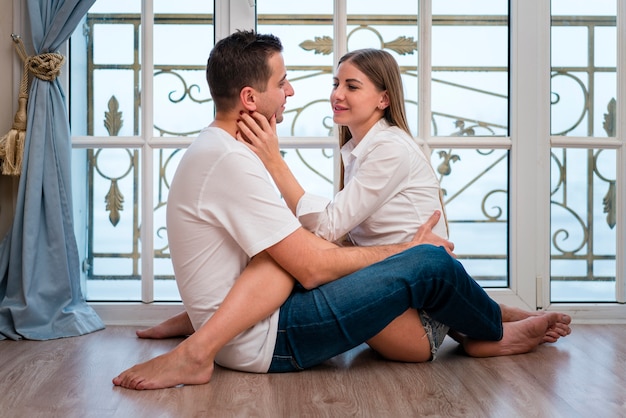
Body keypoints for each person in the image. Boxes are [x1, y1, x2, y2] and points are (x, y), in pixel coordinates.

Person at [112, 31, 568, 390]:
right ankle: (490, 331)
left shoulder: (218, 150)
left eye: (351, 85)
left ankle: (490, 324)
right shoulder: (233, 159)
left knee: (322, 249)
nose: (293, 91)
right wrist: (406, 250)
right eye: (282, 81)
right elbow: (309, 262)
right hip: (262, 339)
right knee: (429, 259)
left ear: (383, 98)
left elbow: (297, 248)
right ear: (251, 99)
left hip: (254, 330)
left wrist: (198, 316)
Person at [234, 47, 571, 360]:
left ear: (383, 98)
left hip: (419, 326)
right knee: (306, 253)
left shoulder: (389, 148)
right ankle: (491, 318)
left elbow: (326, 227)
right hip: (409, 305)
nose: (337, 94)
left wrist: (273, 162)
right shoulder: (361, 150)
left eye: (352, 86)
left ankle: (492, 332)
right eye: (336, 83)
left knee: (309, 258)